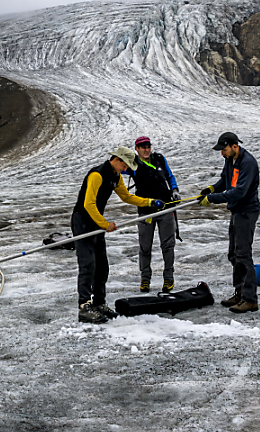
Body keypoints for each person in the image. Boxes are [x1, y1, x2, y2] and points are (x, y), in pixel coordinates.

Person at [72, 146, 164, 323]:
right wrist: (105, 224)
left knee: (102, 266)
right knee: (87, 264)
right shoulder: (97, 175)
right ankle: (84, 307)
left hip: (96, 222)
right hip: (82, 222)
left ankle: (99, 303)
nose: (126, 169)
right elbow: (88, 204)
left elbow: (127, 197)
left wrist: (149, 202)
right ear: (118, 160)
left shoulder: (116, 177)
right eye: (125, 165)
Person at [200, 131, 260, 313]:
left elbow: (238, 192)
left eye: (224, 149)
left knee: (243, 254)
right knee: (233, 254)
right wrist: (212, 188)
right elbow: (225, 181)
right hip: (236, 211)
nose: (222, 154)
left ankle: (250, 299)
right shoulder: (230, 160)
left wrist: (212, 198)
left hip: (246, 211)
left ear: (235, 146)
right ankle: (240, 292)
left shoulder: (248, 163)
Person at [128, 136, 180, 294]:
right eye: (142, 146)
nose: (146, 149)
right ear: (136, 149)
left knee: (168, 245)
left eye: (148, 146)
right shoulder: (133, 164)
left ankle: (168, 278)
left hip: (166, 208)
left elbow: (169, 176)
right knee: (145, 247)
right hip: (145, 211)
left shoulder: (159, 159)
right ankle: (145, 279)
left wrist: (175, 190)